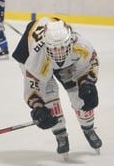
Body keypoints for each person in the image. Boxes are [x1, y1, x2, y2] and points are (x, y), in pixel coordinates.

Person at [11, 16, 103, 157]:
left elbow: (90, 65)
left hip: (64, 58)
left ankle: (88, 128)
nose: (59, 53)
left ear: (70, 41)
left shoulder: (81, 46)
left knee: (79, 93)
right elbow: (33, 89)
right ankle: (60, 134)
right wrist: (38, 108)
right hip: (30, 52)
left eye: (62, 48)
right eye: (55, 49)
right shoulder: (35, 60)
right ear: (47, 45)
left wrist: (87, 82)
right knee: (49, 94)